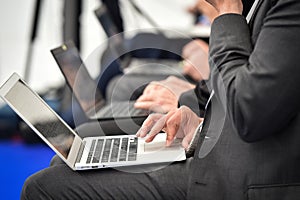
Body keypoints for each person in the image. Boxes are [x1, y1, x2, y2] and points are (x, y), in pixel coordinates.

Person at [21, 0, 300, 199]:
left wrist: (227, 12)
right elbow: (245, 80)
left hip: (245, 176)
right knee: (73, 155)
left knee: (44, 186)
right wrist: (195, 116)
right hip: (225, 152)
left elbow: (249, 111)